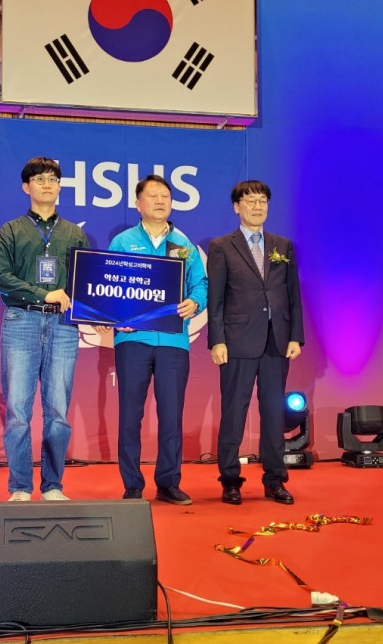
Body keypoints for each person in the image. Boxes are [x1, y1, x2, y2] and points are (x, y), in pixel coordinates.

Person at [100, 174, 207, 505]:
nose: (160, 201)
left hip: (173, 340)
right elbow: (109, 285)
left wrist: (195, 302)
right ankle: (132, 484)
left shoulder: (184, 245)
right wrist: (117, 317)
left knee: (171, 415)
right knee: (130, 415)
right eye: (153, 195)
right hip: (133, 339)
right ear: (138, 203)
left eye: (166, 196)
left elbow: (200, 284)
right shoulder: (123, 241)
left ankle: (168, 482)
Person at [0, 156, 88, 502]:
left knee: (58, 411)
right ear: (26, 187)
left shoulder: (75, 233)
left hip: (63, 326)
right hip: (22, 320)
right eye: (40, 179)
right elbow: (0, 278)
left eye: (53, 179)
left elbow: (86, 282)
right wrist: (43, 293)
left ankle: (52, 485)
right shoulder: (10, 231)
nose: (48, 185)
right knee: (18, 410)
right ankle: (19, 486)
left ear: (60, 187)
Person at [207, 179, 303, 505]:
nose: (257, 206)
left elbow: (293, 295)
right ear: (237, 207)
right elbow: (216, 299)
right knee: (234, 413)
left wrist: (296, 335)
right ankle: (230, 480)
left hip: (277, 341)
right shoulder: (222, 246)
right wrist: (217, 341)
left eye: (262, 201)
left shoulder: (282, 245)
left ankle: (275, 480)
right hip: (237, 341)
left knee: (274, 415)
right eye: (250, 201)